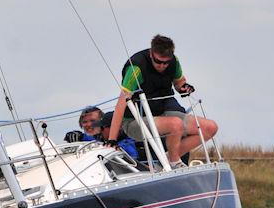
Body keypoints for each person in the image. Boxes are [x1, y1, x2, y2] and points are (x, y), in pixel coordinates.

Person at [106, 34, 217, 168]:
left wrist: (183, 88)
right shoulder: (136, 68)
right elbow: (121, 104)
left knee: (210, 128)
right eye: (158, 62)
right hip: (135, 121)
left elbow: (179, 83)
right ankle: (175, 163)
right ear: (151, 54)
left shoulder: (174, 62)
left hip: (162, 113)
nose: (162, 66)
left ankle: (166, 159)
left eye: (166, 62)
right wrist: (112, 140)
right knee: (175, 124)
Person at [64, 106, 138, 159]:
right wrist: (79, 137)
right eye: (85, 122)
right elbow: (95, 140)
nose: (89, 125)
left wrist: (114, 147)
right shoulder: (99, 138)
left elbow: (130, 152)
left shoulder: (129, 139)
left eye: (93, 121)